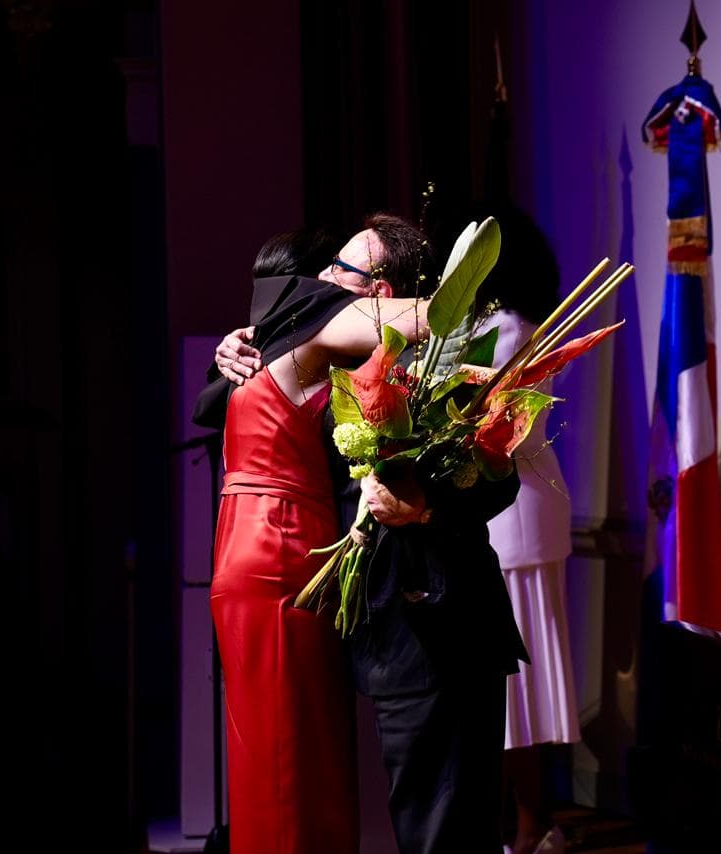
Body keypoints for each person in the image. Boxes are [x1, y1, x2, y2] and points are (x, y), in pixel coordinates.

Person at [212, 218, 529, 853]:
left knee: (448, 830)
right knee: (409, 818)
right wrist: (233, 348)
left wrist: (426, 506)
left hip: (447, 624)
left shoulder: (443, 364)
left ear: (379, 292)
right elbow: (218, 405)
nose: (321, 278)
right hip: (383, 636)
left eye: (339, 269)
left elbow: (500, 480)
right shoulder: (329, 358)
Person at [199, 215, 431, 854]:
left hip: (257, 544)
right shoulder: (321, 320)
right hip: (280, 545)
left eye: (339, 268)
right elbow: (431, 319)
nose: (326, 278)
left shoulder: (281, 343)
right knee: (288, 760)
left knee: (290, 749)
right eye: (324, 268)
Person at [471, 205, 580, 854]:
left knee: (517, 683)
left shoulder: (508, 330)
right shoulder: (498, 326)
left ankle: (534, 824)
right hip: (511, 509)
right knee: (511, 683)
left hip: (511, 513)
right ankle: (527, 824)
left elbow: (489, 422)